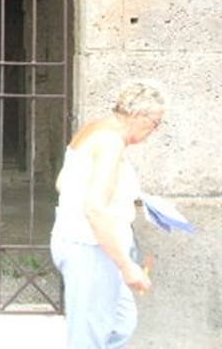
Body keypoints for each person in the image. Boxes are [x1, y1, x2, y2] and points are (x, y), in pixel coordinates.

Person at [50, 79, 167, 348]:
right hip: (90, 248)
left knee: (120, 325)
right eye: (155, 123)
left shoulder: (94, 129)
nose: (154, 130)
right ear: (138, 115)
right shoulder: (111, 142)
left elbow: (62, 183)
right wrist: (127, 267)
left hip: (88, 244)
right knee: (91, 336)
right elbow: (95, 209)